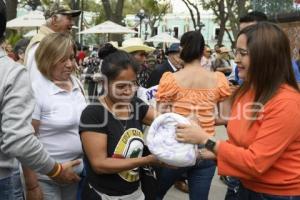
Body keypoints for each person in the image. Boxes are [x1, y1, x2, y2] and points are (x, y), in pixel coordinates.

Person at [176, 22, 300, 200]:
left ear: (266, 56)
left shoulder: (287, 102)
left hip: (277, 194)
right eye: (236, 52)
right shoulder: (247, 92)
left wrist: (206, 139)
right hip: (245, 186)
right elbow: (243, 143)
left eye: (243, 53)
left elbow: (255, 162)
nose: (236, 60)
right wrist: (217, 152)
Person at [0, 2, 81, 200]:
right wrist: (45, 176)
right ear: (53, 19)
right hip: (38, 173)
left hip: (71, 172)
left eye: (72, 58)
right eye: (67, 17)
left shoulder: (74, 82)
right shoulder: (37, 51)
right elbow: (22, 136)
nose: (72, 22)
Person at [155, 30, 231, 200]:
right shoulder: (219, 79)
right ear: (203, 49)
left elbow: (161, 117)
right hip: (206, 149)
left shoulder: (170, 79)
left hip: (175, 145)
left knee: (155, 194)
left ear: (181, 49)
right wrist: (206, 119)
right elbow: (226, 117)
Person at [79, 43, 160, 200]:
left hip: (135, 193)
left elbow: (163, 121)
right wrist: (147, 160)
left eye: (133, 84)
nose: (129, 91)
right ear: (104, 83)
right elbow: (100, 164)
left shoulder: (135, 104)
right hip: (105, 196)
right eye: (121, 86)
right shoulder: (93, 114)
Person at [24, 33, 87, 200]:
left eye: (72, 58)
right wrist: (32, 185)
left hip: (75, 175)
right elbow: (26, 141)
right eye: (62, 59)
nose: (69, 64)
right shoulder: (36, 90)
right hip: (45, 178)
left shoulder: (77, 83)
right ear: (47, 59)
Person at [25, 2, 81, 80]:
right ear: (54, 20)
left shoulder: (52, 42)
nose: (72, 23)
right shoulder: (41, 44)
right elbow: (35, 81)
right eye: (69, 18)